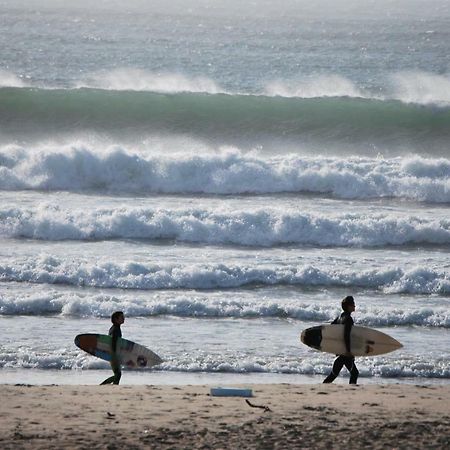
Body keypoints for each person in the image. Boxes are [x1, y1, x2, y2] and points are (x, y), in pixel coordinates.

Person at [323, 296, 359, 384]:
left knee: (334, 374)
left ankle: (324, 385)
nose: (354, 305)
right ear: (348, 306)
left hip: (341, 350)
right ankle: (352, 391)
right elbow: (346, 336)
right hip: (345, 351)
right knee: (354, 373)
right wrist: (348, 351)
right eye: (353, 304)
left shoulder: (340, 317)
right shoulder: (348, 319)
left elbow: (331, 328)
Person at [100, 311, 125, 385]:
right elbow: (112, 342)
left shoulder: (115, 328)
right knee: (118, 374)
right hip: (113, 354)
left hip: (113, 353)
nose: (124, 319)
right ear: (116, 319)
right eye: (122, 317)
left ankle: (115, 386)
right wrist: (115, 354)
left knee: (118, 374)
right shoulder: (115, 330)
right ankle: (103, 385)